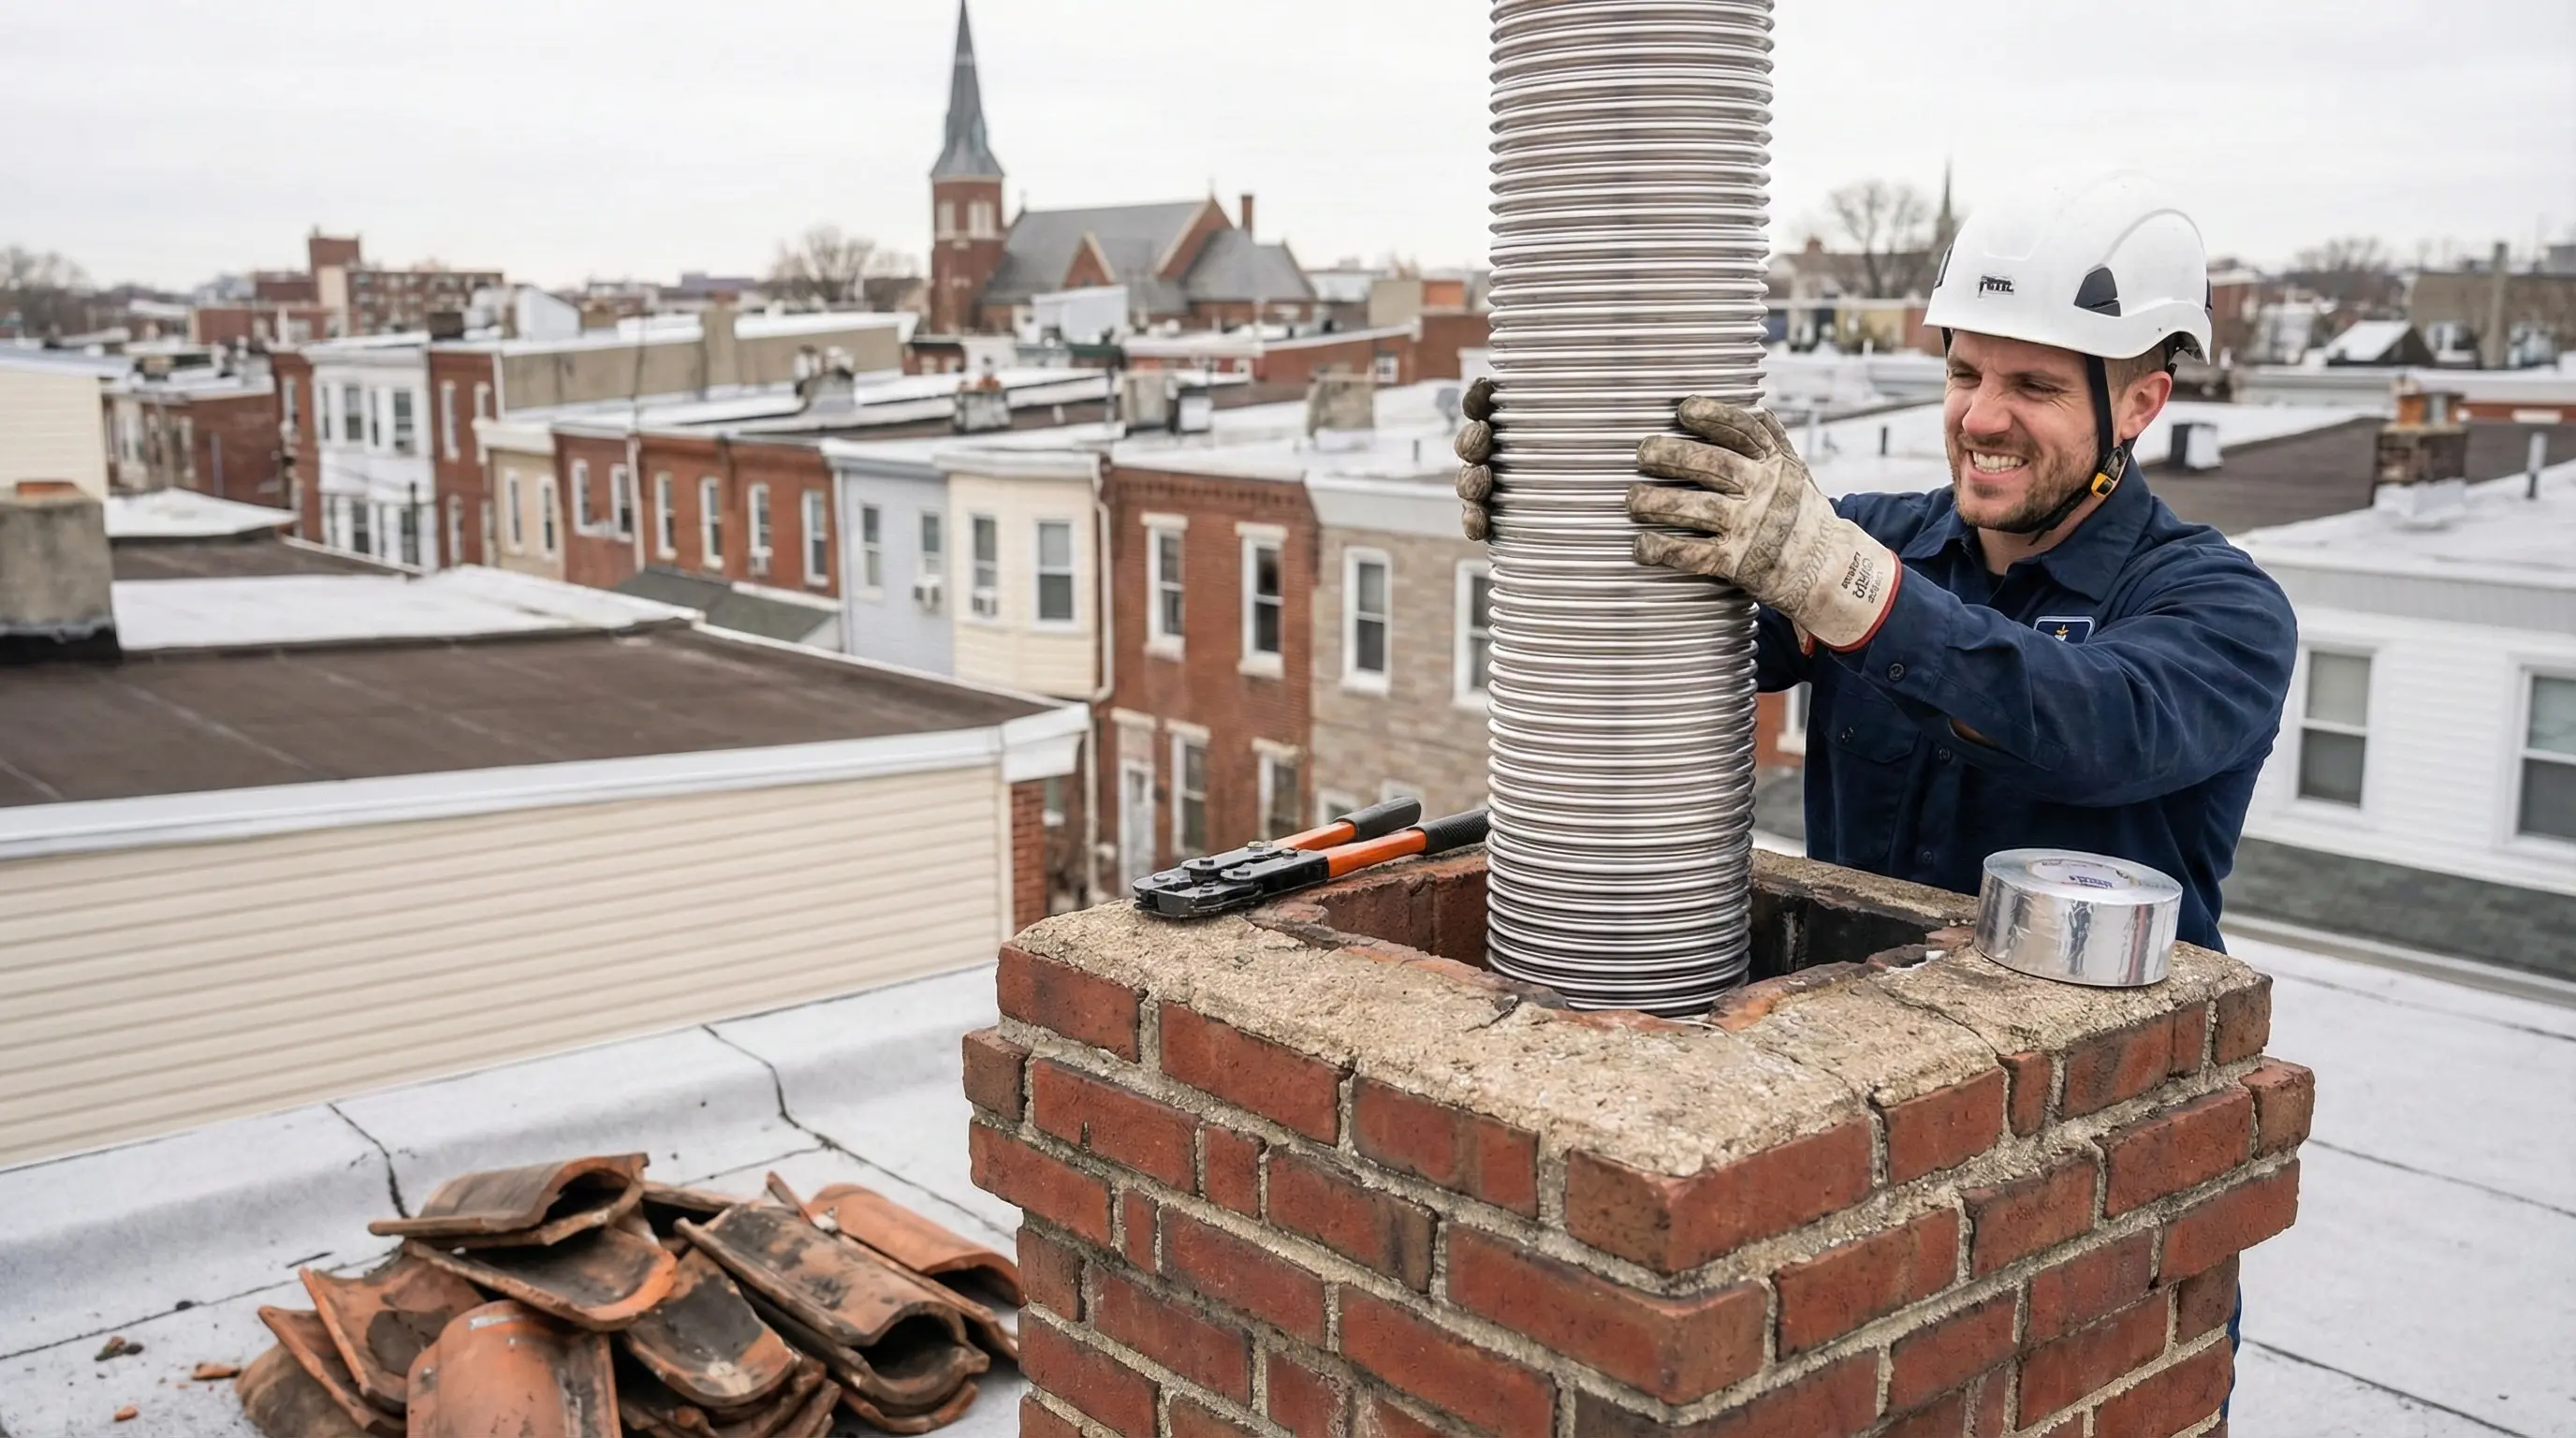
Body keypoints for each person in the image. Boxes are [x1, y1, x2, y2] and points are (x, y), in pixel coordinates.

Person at [1453, 171, 2297, 953]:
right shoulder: (1878, 538)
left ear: (2140, 405)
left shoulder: (2223, 609)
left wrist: (1851, 591)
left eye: (2035, 388)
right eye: (1965, 373)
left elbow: (2096, 730)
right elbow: (1658, 641)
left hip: (2079, 1082)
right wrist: (1557, 500)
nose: (1982, 418)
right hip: (1861, 1050)